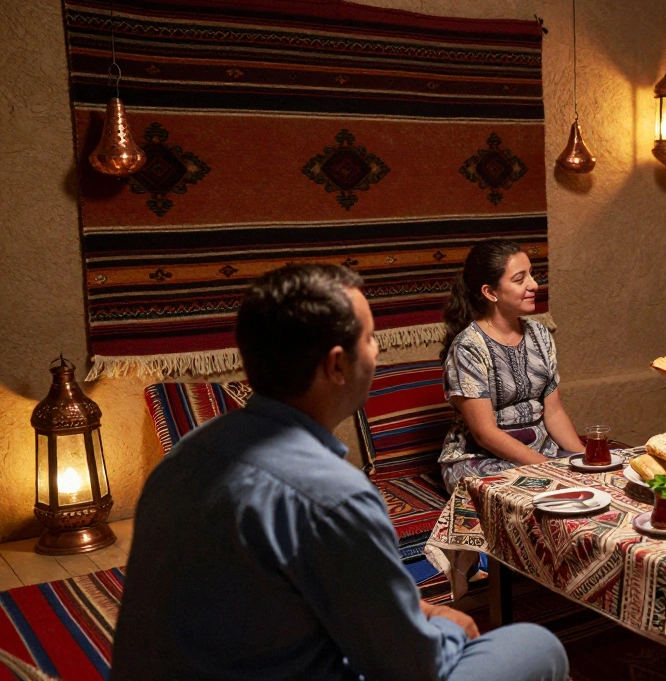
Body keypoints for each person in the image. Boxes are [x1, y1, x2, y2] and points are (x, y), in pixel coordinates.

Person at [112, 264, 568, 681]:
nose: (378, 348)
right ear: (336, 365)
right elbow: (410, 667)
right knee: (533, 645)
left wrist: (416, 611)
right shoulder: (331, 493)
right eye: (370, 338)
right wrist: (450, 628)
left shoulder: (185, 456)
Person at [439, 239, 585, 493]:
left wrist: (585, 459)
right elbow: (485, 434)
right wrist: (550, 471)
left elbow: (553, 413)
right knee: (551, 496)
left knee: (595, 483)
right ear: (490, 292)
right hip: (481, 460)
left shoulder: (539, 335)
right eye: (520, 279)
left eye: (531, 273)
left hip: (540, 453)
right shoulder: (468, 347)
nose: (534, 284)